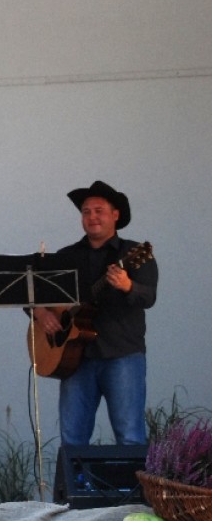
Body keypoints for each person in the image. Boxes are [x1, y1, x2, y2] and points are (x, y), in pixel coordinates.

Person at [32, 181, 157, 447]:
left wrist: (128, 285)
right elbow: (31, 293)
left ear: (115, 215)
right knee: (72, 440)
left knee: (130, 437)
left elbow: (148, 297)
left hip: (122, 354)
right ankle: (75, 478)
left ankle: (132, 478)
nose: (92, 217)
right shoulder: (66, 256)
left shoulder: (135, 253)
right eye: (86, 212)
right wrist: (41, 314)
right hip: (74, 358)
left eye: (99, 211)